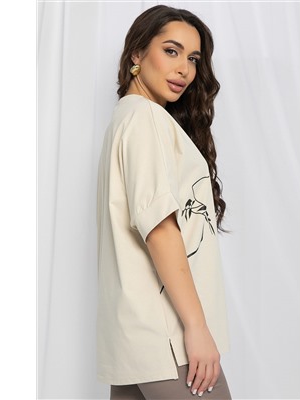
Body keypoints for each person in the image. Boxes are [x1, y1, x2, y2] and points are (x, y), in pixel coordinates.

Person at [96, 5, 232, 399]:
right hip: (166, 336)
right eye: (171, 51)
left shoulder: (125, 119)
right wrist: (196, 326)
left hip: (134, 337)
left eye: (193, 59)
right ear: (137, 53)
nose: (184, 69)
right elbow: (159, 229)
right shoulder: (144, 119)